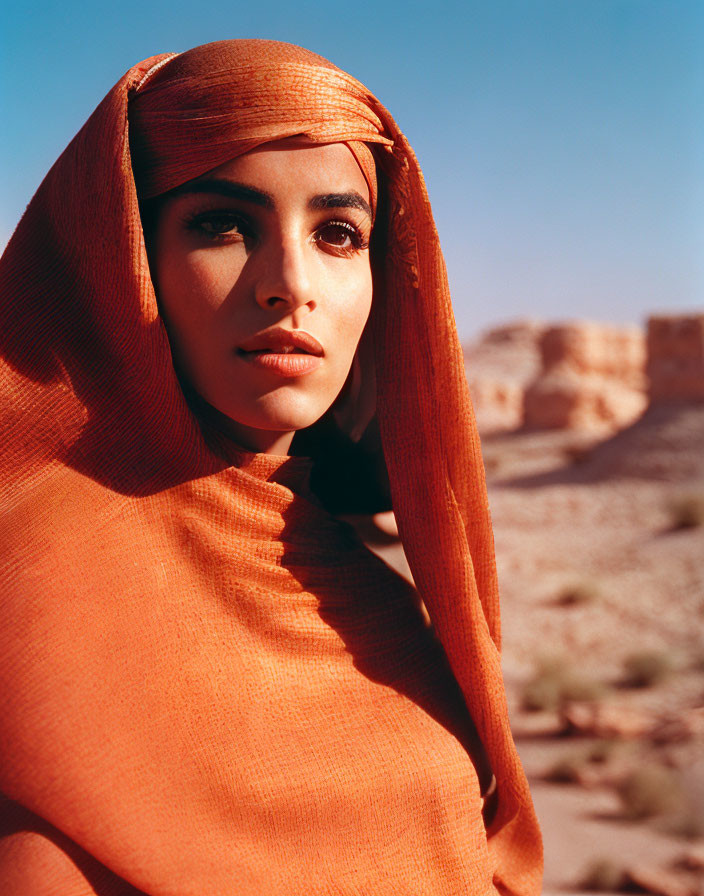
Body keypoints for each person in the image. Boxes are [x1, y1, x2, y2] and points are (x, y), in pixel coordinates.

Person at [0, 39, 543, 895]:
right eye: (222, 224)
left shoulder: (368, 598)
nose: (291, 282)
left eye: (338, 234)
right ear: (122, 258)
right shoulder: (27, 592)